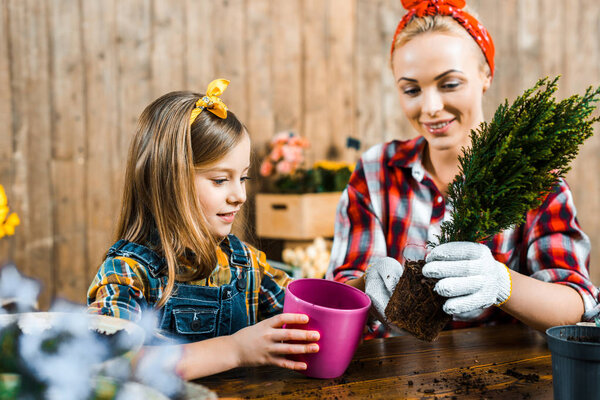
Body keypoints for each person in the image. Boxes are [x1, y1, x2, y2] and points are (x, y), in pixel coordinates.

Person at [327, 0, 600, 338]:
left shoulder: (535, 180)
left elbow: (576, 302)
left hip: (502, 379)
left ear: (485, 74)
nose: (430, 107)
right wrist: (364, 284)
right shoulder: (376, 171)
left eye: (449, 83)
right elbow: (339, 290)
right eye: (411, 89)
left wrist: (503, 283)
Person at [87, 79, 319, 379]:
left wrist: (367, 288)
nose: (240, 195)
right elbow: (112, 364)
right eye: (221, 180)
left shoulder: (246, 265)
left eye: (243, 178)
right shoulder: (127, 273)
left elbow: (310, 317)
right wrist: (235, 350)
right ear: (171, 182)